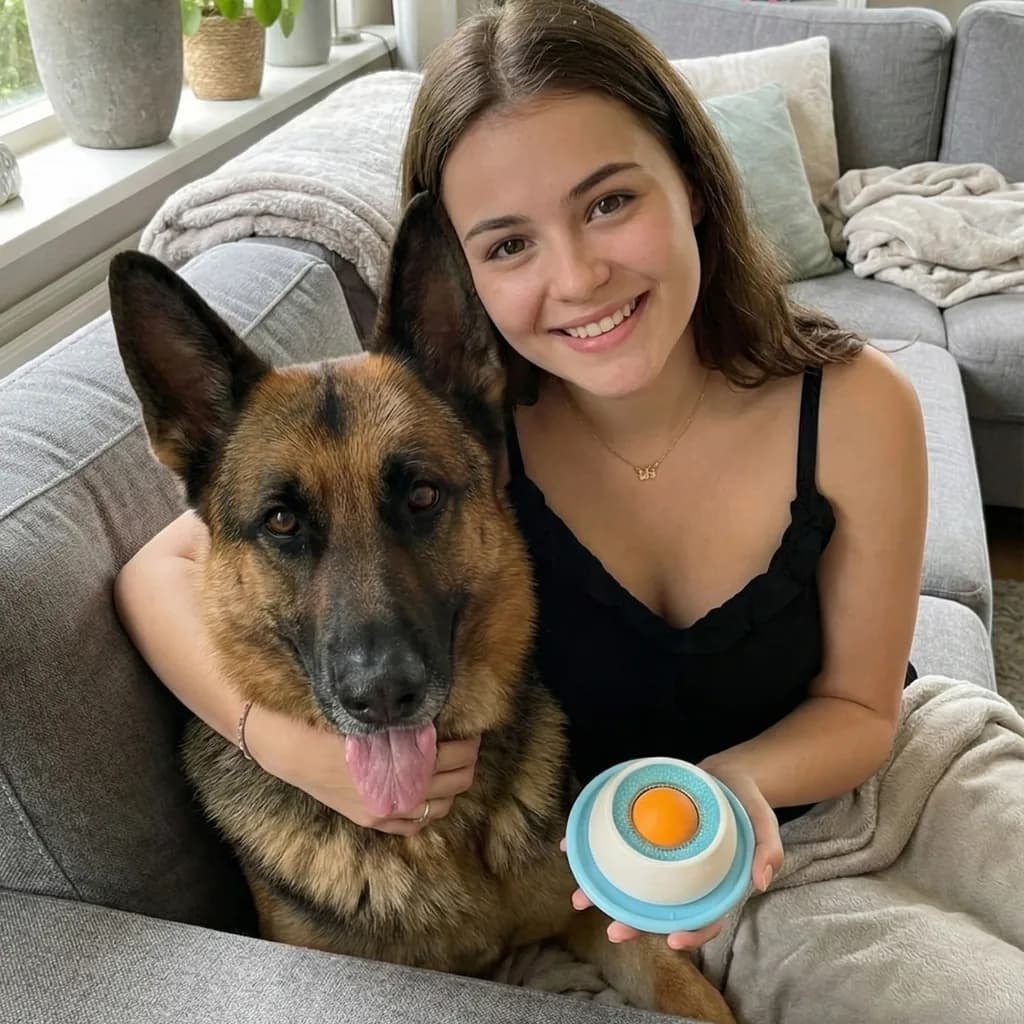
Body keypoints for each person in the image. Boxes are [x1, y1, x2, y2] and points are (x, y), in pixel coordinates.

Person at [116, 0, 927, 977]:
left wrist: (726, 788)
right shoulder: (483, 427)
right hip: (609, 858)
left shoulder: (856, 408)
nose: (577, 278)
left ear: (694, 181)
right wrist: (295, 752)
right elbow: (157, 573)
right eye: (507, 244)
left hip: (827, 808)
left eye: (608, 203)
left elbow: (864, 710)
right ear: (465, 286)